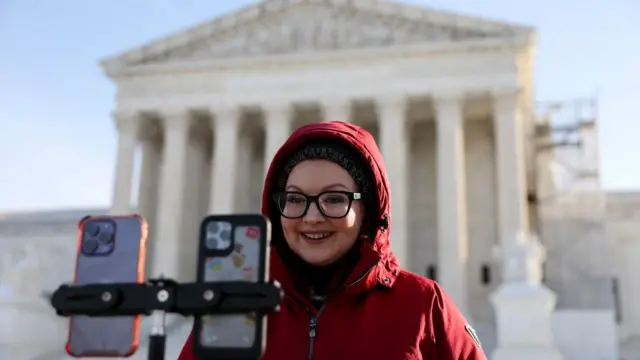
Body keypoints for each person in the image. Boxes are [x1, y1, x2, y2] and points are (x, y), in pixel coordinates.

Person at [178, 121, 487, 360]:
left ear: (367, 210)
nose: (312, 217)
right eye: (295, 199)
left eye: (334, 198)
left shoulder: (423, 306)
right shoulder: (235, 308)